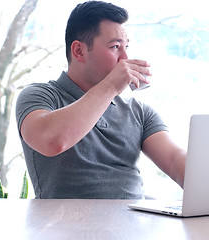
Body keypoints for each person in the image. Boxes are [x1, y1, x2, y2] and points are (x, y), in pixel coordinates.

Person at [16, 0, 186, 199]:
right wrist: (111, 86)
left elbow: (174, 160)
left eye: (126, 47)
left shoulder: (138, 112)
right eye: (115, 47)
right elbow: (52, 141)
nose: (125, 58)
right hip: (68, 227)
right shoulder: (39, 96)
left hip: (134, 223)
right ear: (79, 51)